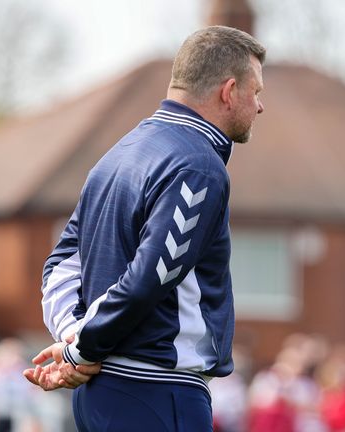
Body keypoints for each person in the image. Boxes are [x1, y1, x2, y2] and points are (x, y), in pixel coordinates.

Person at [22, 25, 266, 431]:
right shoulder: (199, 166)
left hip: (100, 390)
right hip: (154, 391)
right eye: (256, 92)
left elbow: (62, 265)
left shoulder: (119, 153)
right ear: (228, 90)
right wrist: (79, 350)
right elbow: (148, 279)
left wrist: (75, 340)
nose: (260, 106)